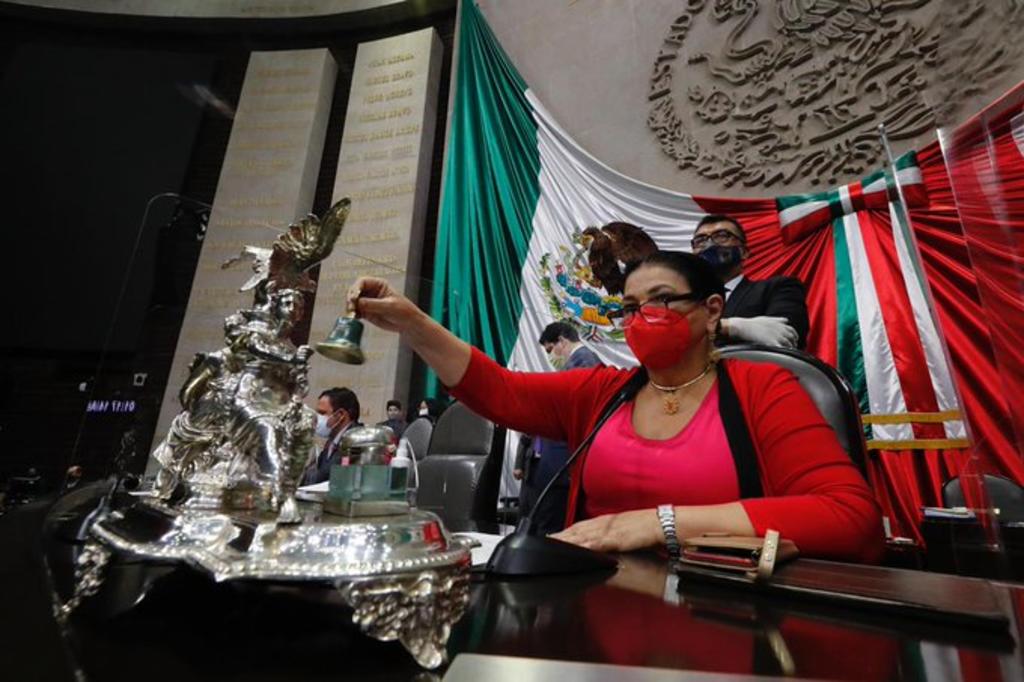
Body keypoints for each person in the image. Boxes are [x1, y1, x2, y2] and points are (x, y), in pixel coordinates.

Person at [345, 251, 883, 562]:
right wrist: (412, 323)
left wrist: (659, 524)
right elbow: (498, 391)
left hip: (725, 614)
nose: (641, 316)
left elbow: (849, 518)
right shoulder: (601, 392)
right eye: (629, 307)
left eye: (661, 300)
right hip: (594, 606)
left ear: (712, 309)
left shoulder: (762, 389)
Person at [514, 321, 602, 534]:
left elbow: (577, 416)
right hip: (544, 463)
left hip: (562, 462)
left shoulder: (586, 362)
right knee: (534, 524)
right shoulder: (571, 365)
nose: (550, 356)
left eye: (550, 349)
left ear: (562, 341)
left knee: (550, 529)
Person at [691, 214, 810, 350]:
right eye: (700, 240)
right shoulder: (681, 299)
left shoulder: (778, 288)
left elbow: (788, 335)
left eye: (721, 236)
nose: (709, 244)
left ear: (744, 252)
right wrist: (733, 327)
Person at [302, 387, 361, 485]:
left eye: (322, 413)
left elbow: (329, 477)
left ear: (340, 415)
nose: (316, 419)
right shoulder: (331, 442)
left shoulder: (357, 442)